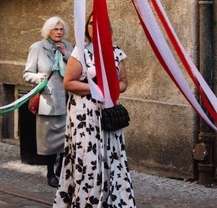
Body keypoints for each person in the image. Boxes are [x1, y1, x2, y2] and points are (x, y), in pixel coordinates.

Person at [54, 13, 135, 207]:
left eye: (97, 23)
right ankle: (86, 202)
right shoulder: (80, 52)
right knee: (88, 160)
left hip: (107, 115)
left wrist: (112, 89)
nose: (92, 26)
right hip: (84, 115)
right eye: (90, 23)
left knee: (111, 158)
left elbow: (123, 82)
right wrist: (97, 89)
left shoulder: (116, 52)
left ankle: (112, 201)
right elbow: (69, 82)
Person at [23, 16, 72, 188]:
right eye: (55, 29)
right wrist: (38, 77)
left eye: (61, 29)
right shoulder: (37, 48)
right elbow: (27, 73)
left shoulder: (68, 47)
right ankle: (51, 172)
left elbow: (76, 68)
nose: (59, 32)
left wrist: (66, 54)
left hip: (67, 100)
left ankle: (61, 170)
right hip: (48, 100)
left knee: (67, 140)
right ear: (48, 30)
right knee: (50, 142)